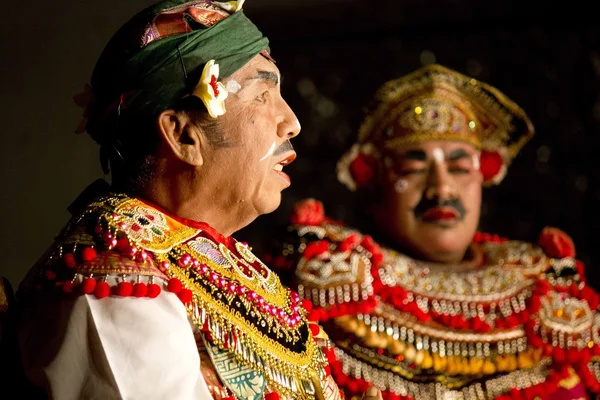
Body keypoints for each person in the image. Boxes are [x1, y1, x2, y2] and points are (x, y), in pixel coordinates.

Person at [14, 1, 344, 399]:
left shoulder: (216, 262)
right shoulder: (115, 281)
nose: (292, 121)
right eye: (261, 95)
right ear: (184, 135)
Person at [267, 64, 600, 399]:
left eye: (458, 167)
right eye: (415, 168)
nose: (442, 189)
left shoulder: (546, 283)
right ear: (371, 180)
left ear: (485, 174)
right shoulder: (326, 276)